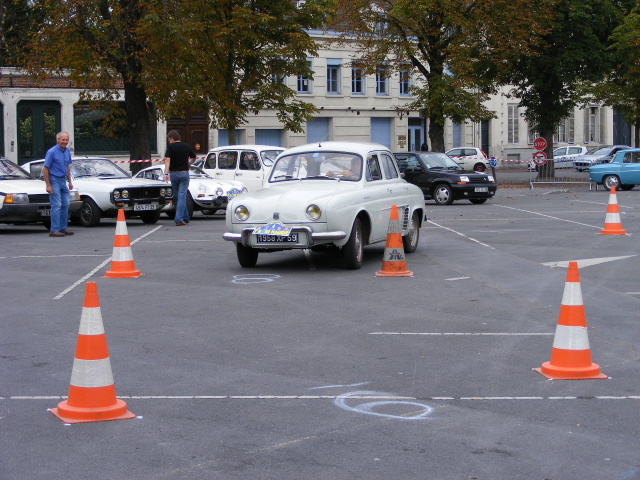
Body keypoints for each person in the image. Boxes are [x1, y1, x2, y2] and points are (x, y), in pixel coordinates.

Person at [43, 132, 74, 237]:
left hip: (63, 180)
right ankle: (54, 230)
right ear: (58, 140)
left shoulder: (67, 151)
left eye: (66, 140)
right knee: (57, 205)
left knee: (66, 204)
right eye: (62, 140)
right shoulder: (52, 152)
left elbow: (68, 166)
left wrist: (70, 181)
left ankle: (63, 228)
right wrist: (48, 185)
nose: (64, 142)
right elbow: (46, 168)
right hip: (54, 179)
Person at [164, 130, 196, 226]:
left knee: (178, 196)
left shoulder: (170, 147)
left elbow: (167, 160)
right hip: (184, 174)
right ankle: (185, 217)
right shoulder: (186, 146)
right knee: (182, 196)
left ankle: (178, 219)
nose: (169, 141)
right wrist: (189, 164)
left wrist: (166, 173)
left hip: (174, 174)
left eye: (169, 139)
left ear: (172, 138)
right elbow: (194, 157)